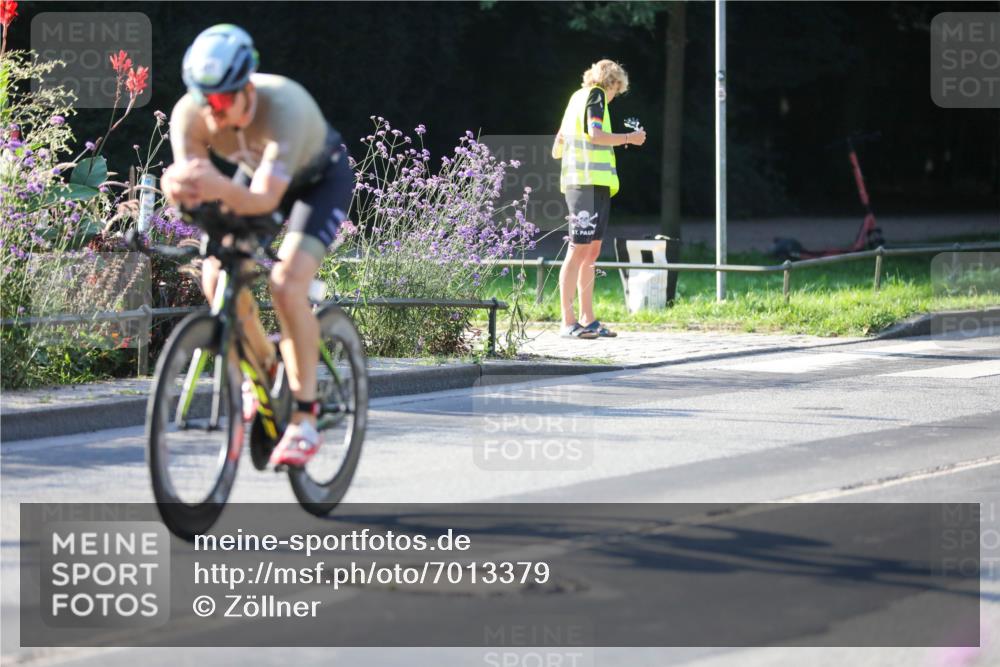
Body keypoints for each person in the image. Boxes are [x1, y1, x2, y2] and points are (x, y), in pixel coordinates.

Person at [161, 24, 353, 468]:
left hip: (318, 181)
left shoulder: (284, 105)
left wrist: (210, 185)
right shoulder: (189, 114)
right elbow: (197, 186)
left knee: (286, 285)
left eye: (226, 100)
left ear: (248, 85)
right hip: (258, 174)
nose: (215, 113)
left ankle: (305, 418)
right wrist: (179, 190)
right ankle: (265, 366)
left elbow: (265, 200)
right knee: (215, 276)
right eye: (207, 102)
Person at [552, 60, 646, 339]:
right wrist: (630, 137)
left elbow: (557, 146)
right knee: (578, 250)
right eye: (618, 89)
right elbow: (595, 135)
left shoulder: (575, 99)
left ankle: (587, 319)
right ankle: (568, 322)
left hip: (594, 183)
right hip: (585, 183)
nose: (616, 95)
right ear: (612, 83)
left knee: (590, 252)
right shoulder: (596, 95)